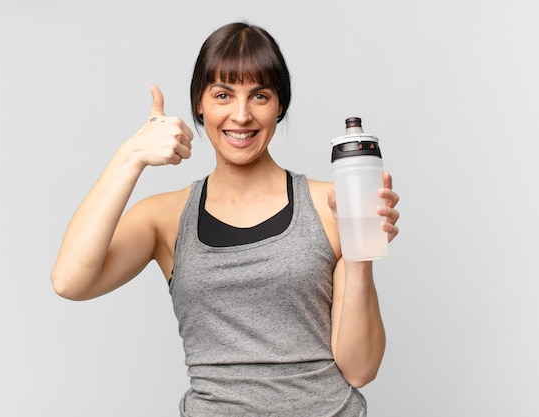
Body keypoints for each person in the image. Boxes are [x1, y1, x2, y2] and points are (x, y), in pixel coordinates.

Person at [51, 22, 400, 417]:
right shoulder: (165, 218)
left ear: (279, 105)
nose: (241, 114)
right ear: (199, 104)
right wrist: (130, 156)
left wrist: (361, 246)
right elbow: (69, 281)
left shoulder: (331, 204)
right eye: (222, 94)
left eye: (260, 95)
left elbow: (360, 369)